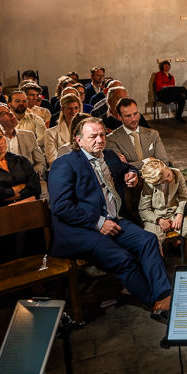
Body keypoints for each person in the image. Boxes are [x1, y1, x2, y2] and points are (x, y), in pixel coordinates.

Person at [47, 118, 171, 317]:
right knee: (123, 259)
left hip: (113, 220)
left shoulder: (110, 156)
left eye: (102, 135)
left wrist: (132, 174)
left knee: (148, 240)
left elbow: (127, 168)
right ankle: (155, 301)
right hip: (81, 229)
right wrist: (98, 222)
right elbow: (60, 207)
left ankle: (164, 295)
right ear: (79, 140)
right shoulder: (64, 164)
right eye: (93, 136)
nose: (99, 140)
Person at [137, 158, 187, 261]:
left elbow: (184, 197)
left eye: (168, 175)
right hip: (155, 218)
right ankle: (159, 269)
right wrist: (159, 220)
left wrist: (180, 214)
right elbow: (143, 210)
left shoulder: (177, 175)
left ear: (166, 167)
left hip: (174, 214)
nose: (169, 180)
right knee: (151, 240)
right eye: (164, 181)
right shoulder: (149, 184)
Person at [0, 122, 41, 208]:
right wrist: (18, 188)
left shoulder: (21, 160)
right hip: (1, 213)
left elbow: (36, 188)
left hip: (30, 207)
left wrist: (5, 195)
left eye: (0, 137)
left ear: (4, 136)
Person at [0, 105, 47, 180]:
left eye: (9, 111)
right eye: (3, 114)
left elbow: (41, 162)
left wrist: (31, 174)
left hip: (31, 180)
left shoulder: (29, 135)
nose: (11, 114)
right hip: (2, 185)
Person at [107, 98, 171, 167]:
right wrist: (148, 160)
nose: (133, 119)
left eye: (135, 113)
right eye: (128, 116)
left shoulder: (153, 134)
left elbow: (164, 162)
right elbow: (119, 168)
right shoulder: (111, 139)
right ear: (119, 117)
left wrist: (131, 165)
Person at [45, 92, 82, 162]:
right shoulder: (51, 133)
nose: (73, 111)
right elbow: (52, 159)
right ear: (62, 109)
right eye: (69, 108)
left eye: (76, 108)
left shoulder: (87, 130)